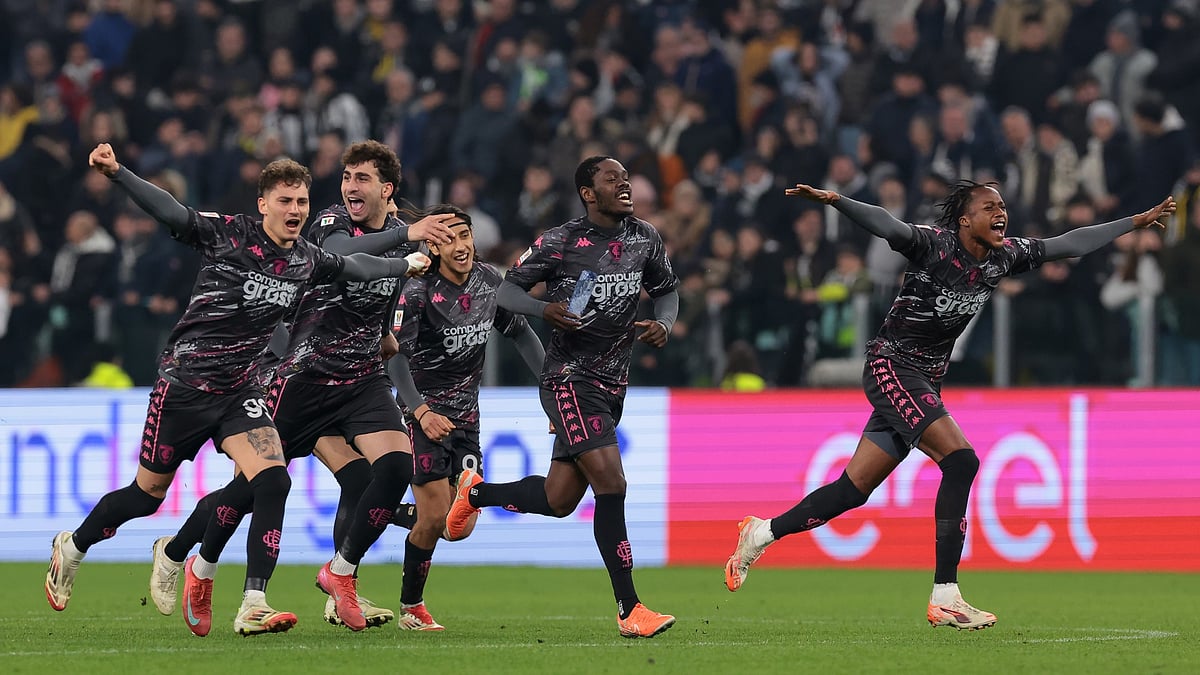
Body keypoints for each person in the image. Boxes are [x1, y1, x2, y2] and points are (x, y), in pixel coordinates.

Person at [723, 178, 1175, 630]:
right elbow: (888, 225)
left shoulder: (1003, 257)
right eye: (988, 207)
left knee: (851, 491)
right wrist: (839, 201)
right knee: (961, 461)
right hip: (892, 367)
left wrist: (1133, 223)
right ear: (964, 220)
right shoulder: (934, 245)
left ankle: (760, 533)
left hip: (925, 381)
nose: (1001, 213)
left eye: (1002, 206)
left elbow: (1068, 244)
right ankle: (946, 595)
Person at [45, 143, 431, 638]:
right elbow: (169, 208)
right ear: (264, 204)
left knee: (272, 480)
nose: (295, 211)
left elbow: (357, 268)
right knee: (146, 495)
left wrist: (404, 266)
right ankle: (72, 547)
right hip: (185, 385)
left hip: (239, 391)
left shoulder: (307, 258)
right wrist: (119, 173)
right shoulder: (228, 234)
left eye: (302, 203)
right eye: (286, 202)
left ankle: (252, 603)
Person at [146, 141, 454, 635]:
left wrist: (384, 336)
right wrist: (409, 234)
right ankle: (185, 554)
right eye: (348, 175)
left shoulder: (401, 240)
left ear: (387, 189)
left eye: (362, 178)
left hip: (359, 380)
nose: (350, 185)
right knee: (255, 485)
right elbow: (338, 256)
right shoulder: (327, 221)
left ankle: (340, 576)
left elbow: (383, 297)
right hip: (303, 377)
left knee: (391, 467)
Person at [444, 156, 681, 639]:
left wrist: (664, 323)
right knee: (612, 485)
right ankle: (629, 609)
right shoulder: (561, 241)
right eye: (612, 179)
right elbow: (505, 294)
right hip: (570, 380)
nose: (625, 185)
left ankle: (476, 493)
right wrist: (542, 309)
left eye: (626, 178)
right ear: (588, 193)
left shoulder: (645, 238)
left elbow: (668, 292)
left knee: (559, 500)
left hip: (614, 383)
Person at [386, 204, 547, 630]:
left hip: (467, 420)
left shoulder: (490, 281)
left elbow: (522, 335)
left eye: (464, 236)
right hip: (420, 414)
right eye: (447, 239)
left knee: (459, 528)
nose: (460, 246)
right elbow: (395, 359)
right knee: (436, 517)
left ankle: (383, 509)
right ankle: (412, 610)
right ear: (432, 247)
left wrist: (553, 390)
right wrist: (419, 411)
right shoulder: (417, 290)